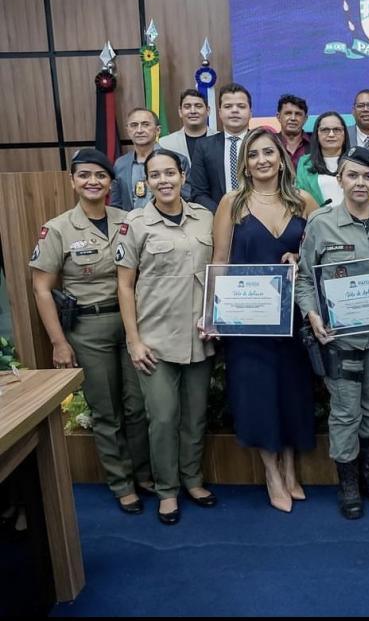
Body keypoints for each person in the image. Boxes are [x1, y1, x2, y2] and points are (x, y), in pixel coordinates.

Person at [30, 148, 151, 514]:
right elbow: (41, 288)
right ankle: (120, 482)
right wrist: (58, 342)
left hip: (132, 323)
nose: (92, 181)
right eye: (84, 175)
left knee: (137, 405)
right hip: (89, 327)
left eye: (100, 175)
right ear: (73, 181)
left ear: (111, 182)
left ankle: (144, 473)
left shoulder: (127, 219)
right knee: (106, 410)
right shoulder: (58, 228)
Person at [297, 146, 369, 520]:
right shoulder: (321, 224)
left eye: (367, 176)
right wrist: (312, 315)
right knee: (345, 412)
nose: (360, 182)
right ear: (341, 179)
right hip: (339, 338)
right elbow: (303, 279)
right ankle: (347, 484)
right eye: (352, 175)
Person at [212, 127, 318, 512]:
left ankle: (291, 469)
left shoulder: (304, 202)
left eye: (268, 152)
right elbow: (220, 260)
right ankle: (272, 474)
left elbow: (322, 253)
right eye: (254, 154)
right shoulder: (232, 203)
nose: (262, 160)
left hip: (293, 319)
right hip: (248, 320)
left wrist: (301, 258)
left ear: (281, 158)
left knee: (292, 393)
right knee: (257, 396)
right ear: (246, 162)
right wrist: (214, 315)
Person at [115, 149, 218, 525]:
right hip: (154, 341)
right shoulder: (135, 223)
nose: (164, 181)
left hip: (198, 336)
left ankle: (192, 480)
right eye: (155, 175)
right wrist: (134, 340)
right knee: (161, 418)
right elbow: (124, 286)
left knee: (194, 417)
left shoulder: (205, 218)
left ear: (182, 174)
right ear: (147, 180)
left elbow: (219, 270)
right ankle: (167, 491)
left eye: (170, 173)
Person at [189, 82, 253, 211]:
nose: (235, 110)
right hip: (218, 218)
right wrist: (223, 213)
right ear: (220, 112)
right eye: (228, 106)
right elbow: (198, 192)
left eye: (241, 106)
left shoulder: (263, 144)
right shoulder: (204, 146)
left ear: (250, 112)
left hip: (260, 217)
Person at [111, 108, 191, 210]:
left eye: (145, 124)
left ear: (157, 130)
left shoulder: (178, 160)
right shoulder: (120, 164)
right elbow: (116, 204)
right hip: (131, 223)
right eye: (134, 125)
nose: (139, 130)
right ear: (128, 130)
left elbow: (186, 198)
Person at [295, 111, 351, 208]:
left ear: (344, 133)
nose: (331, 134)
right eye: (325, 130)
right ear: (317, 134)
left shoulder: (356, 159)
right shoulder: (305, 163)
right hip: (317, 220)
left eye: (337, 130)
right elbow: (300, 197)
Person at [159, 89, 215, 166]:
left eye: (198, 106)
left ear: (208, 111)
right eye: (187, 107)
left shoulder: (222, 140)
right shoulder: (165, 144)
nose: (193, 111)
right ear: (180, 112)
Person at [275, 94, 310, 170]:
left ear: (305, 119)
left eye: (298, 114)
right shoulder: (270, 142)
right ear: (278, 117)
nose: (293, 118)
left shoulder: (316, 144)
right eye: (288, 113)